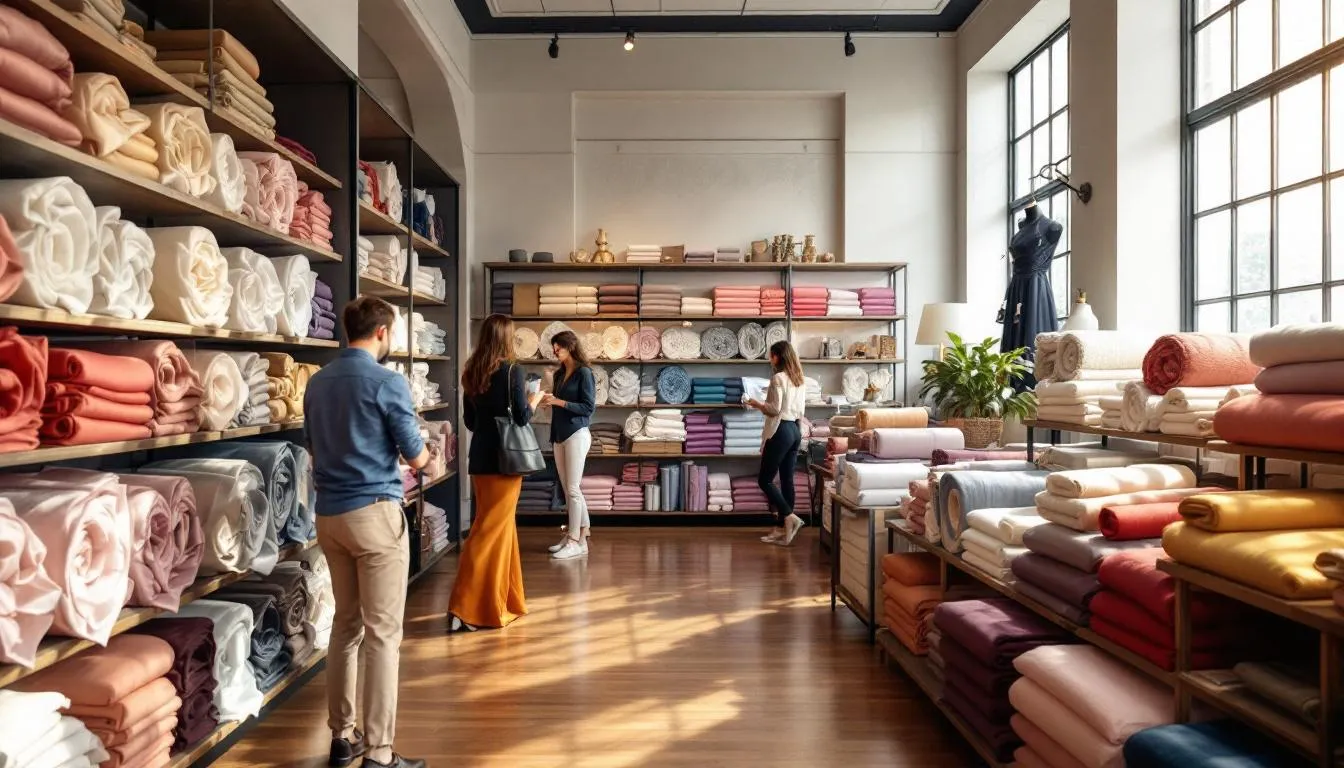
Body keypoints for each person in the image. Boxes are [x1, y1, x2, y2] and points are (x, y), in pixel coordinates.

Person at [304, 296, 429, 768]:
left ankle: (342, 737)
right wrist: (427, 458)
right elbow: (414, 453)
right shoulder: (387, 381)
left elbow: (313, 446)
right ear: (382, 332)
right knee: (382, 636)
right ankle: (378, 753)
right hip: (374, 515)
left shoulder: (317, 384)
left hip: (329, 516)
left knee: (346, 627)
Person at [449, 313, 543, 631]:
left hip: (481, 458)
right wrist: (534, 399)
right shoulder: (513, 371)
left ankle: (507, 599)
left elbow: (471, 423)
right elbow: (521, 418)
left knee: (496, 528)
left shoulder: (471, 372)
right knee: (488, 533)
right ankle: (465, 608)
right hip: (507, 460)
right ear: (506, 337)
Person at [541, 330, 596, 560]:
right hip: (560, 435)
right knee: (570, 489)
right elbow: (558, 405)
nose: (555, 351)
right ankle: (581, 538)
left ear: (570, 346)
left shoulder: (585, 373)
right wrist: (548, 403)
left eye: (558, 347)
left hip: (577, 433)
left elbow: (587, 407)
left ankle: (574, 540)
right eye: (554, 348)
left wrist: (559, 402)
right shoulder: (561, 373)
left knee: (573, 489)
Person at [746, 340, 808, 546]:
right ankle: (784, 530)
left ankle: (790, 517)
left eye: (771, 356)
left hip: (781, 430)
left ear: (778, 357)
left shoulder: (778, 378)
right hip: (795, 430)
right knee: (787, 479)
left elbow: (773, 409)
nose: (770, 360)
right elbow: (800, 411)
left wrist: (756, 404)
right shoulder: (799, 379)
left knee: (765, 480)